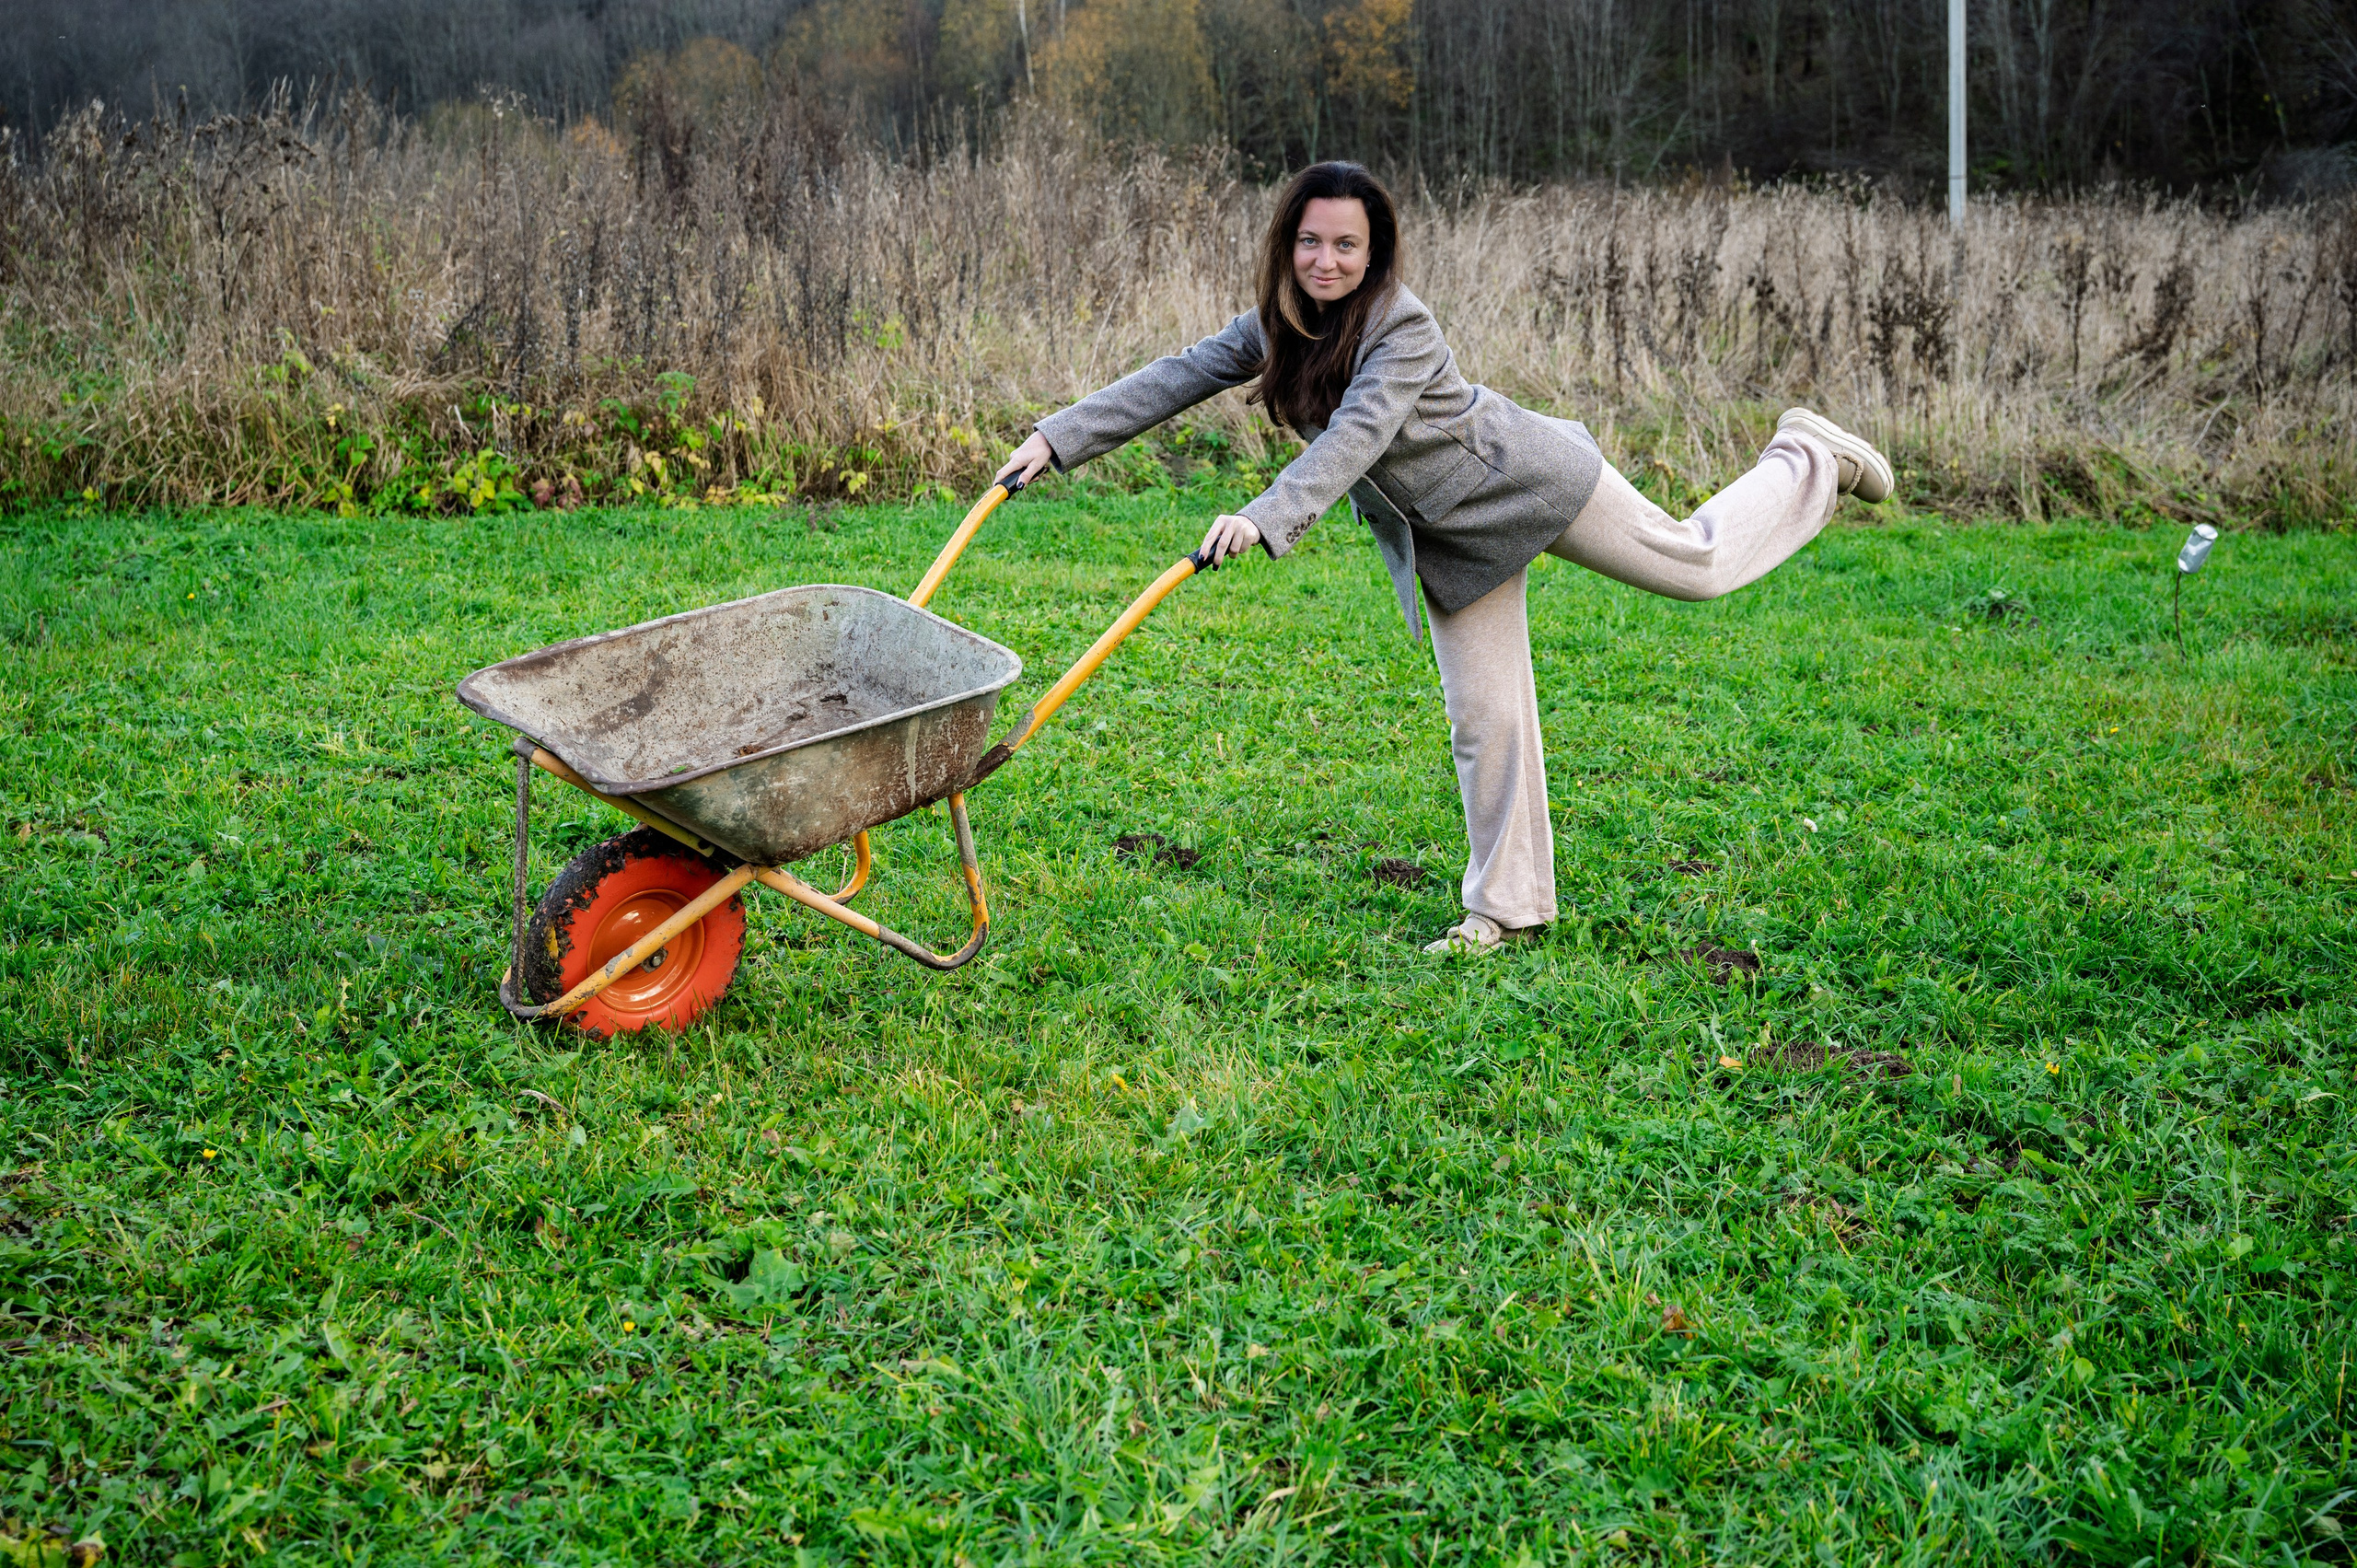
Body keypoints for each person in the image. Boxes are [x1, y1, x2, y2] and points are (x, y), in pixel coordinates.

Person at [994, 161, 1893, 955]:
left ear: (1374, 251)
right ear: (1288, 245)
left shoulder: (1403, 328)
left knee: (1696, 563)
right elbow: (1177, 373)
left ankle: (1807, 452)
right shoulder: (1279, 324)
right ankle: (1505, 908)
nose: (1325, 261)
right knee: (1485, 716)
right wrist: (1056, 439)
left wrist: (1266, 515)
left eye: (1346, 245)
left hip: (1526, 481)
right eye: (1309, 242)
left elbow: (1353, 440)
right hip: (1451, 541)